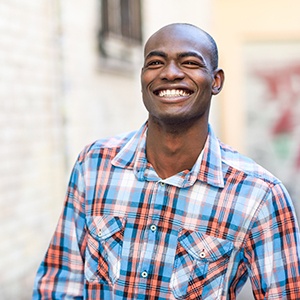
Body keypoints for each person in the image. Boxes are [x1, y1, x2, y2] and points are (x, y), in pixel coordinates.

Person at [33, 23, 300, 299]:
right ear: (143, 78)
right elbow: (60, 283)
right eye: (156, 62)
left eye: (189, 62)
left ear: (216, 80)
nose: (170, 73)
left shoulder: (259, 194)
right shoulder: (94, 165)